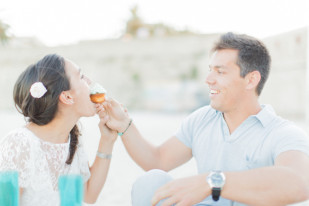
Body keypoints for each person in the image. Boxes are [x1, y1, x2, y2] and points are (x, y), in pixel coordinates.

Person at [101, 32, 309, 206]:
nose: (209, 79)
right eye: (210, 70)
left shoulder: (282, 133)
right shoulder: (202, 119)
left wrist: (214, 181)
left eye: (220, 72)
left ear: (251, 80)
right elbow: (158, 160)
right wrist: (124, 126)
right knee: (151, 181)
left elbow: (300, 183)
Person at [0, 54, 117, 206]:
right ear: (67, 97)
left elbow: (88, 195)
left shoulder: (72, 140)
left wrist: (107, 140)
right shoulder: (19, 142)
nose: (89, 81)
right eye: (81, 76)